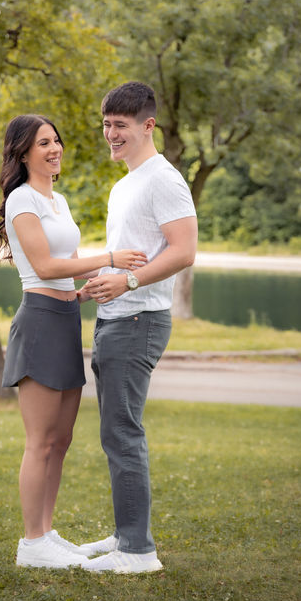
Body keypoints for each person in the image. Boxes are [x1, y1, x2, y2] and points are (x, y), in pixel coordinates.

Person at [0, 114, 147, 570]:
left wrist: (105, 276)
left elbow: (70, 262)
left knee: (61, 439)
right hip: (40, 322)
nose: (54, 148)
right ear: (23, 152)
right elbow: (44, 266)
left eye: (56, 140)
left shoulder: (57, 201)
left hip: (65, 318)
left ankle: (46, 533)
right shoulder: (22, 199)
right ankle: (31, 543)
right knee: (40, 441)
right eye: (43, 143)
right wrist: (112, 255)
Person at [79, 82, 198, 573]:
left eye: (121, 125)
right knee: (115, 433)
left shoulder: (163, 180)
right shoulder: (125, 183)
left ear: (148, 125)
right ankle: (125, 534)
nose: (111, 134)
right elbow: (133, 254)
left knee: (123, 433)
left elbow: (184, 251)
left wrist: (126, 282)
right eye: (107, 124)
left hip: (138, 320)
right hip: (116, 317)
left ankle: (137, 553)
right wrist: (100, 281)